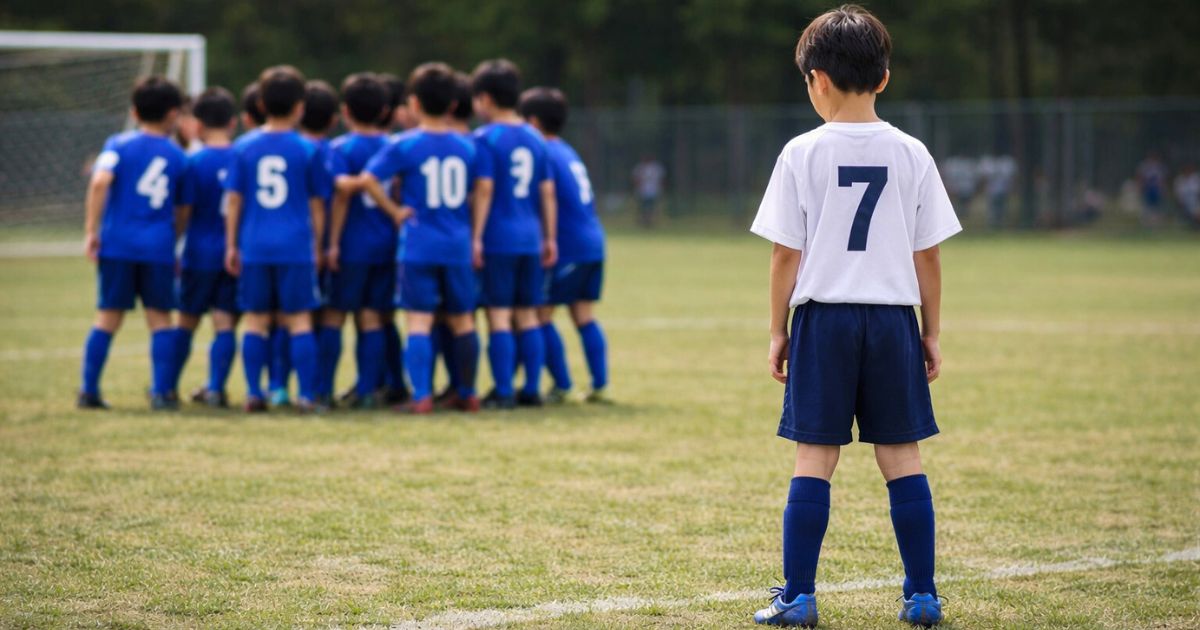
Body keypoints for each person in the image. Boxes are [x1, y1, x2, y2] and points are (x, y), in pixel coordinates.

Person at [748, 6, 961, 627]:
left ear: (815, 78)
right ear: (884, 78)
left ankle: (798, 597)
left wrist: (778, 330)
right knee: (903, 457)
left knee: (815, 457)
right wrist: (931, 331)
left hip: (825, 320)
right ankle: (922, 595)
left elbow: (786, 252)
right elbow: (929, 254)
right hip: (893, 319)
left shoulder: (801, 152)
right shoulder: (912, 151)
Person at [351, 62, 483, 414]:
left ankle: (422, 395)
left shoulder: (404, 145)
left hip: (419, 244)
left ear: (414, 104)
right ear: (454, 105)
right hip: (457, 242)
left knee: (419, 321)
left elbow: (367, 180)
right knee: (462, 320)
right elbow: (482, 188)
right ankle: (468, 392)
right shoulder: (468, 147)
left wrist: (394, 212)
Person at [223, 65, 330, 413]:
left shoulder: (243, 147)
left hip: (255, 244)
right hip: (296, 245)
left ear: (261, 104)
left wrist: (231, 244)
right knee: (299, 320)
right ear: (301, 106)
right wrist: (318, 245)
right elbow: (317, 204)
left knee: (256, 320)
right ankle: (305, 396)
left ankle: (255, 393)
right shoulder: (308, 149)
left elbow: (234, 200)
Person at [77, 76, 187, 410]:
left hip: (118, 245)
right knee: (160, 320)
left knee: (107, 318)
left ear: (135, 111)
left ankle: (89, 391)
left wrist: (91, 230)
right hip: (157, 247)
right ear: (173, 114)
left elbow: (99, 182)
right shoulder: (178, 156)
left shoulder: (117, 144)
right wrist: (174, 238)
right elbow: (184, 209)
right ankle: (161, 393)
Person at [470, 59, 558, 409]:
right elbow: (547, 191)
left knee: (499, 315)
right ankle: (532, 388)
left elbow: (485, 189)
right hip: (530, 237)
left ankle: (504, 390)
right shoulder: (536, 138)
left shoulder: (485, 138)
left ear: (486, 99)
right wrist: (549, 237)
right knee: (528, 314)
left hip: (498, 239)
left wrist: (475, 236)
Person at [518, 87, 610, 404]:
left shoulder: (542, 152)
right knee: (583, 313)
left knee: (540, 314)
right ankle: (599, 384)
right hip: (593, 242)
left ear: (531, 120)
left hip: (567, 245)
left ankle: (562, 386)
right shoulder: (567, 150)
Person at [322, 73, 393, 408]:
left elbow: (340, 198)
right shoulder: (394, 147)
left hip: (351, 245)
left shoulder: (340, 149)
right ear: (384, 111)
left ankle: (322, 388)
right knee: (372, 317)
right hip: (385, 244)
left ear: (345, 110)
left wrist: (332, 243)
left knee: (335, 315)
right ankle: (367, 391)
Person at [172, 86, 241, 407]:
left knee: (186, 320)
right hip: (234, 255)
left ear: (196, 124)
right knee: (225, 322)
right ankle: (215, 388)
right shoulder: (244, 158)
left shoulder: (192, 162)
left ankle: (166, 386)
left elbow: (183, 212)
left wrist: (174, 244)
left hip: (198, 253)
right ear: (234, 122)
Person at [632, 155, 665, 227]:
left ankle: (651, 221)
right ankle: (644, 221)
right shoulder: (640, 167)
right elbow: (636, 179)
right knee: (643, 207)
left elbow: (660, 179)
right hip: (643, 190)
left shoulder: (656, 168)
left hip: (653, 190)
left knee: (652, 207)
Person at [1137, 152, 1168, 225]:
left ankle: (1157, 222)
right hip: (1147, 189)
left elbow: (1163, 180)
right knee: (1147, 206)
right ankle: (1146, 222)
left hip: (1156, 189)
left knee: (1157, 207)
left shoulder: (1160, 167)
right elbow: (1140, 178)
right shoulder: (1144, 166)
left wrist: (1163, 189)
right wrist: (1140, 187)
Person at [1175, 163, 1200, 229]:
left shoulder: (1195, 178)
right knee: (1196, 212)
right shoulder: (1179, 180)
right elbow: (1179, 196)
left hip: (1196, 201)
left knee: (1197, 210)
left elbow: (1197, 193)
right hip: (1186, 203)